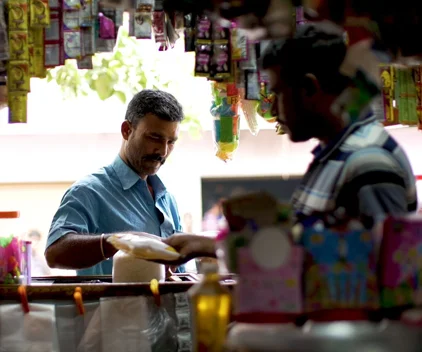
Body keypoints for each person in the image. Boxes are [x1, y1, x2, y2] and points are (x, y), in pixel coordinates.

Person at [163, 24, 418, 262]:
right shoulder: (335, 156)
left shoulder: (369, 163)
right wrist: (213, 244)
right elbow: (312, 247)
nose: (273, 108)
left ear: (308, 88)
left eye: (277, 92)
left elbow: (379, 274)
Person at [45, 89, 186, 275]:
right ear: (127, 130)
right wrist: (120, 241)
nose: (163, 151)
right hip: (111, 305)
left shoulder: (167, 199)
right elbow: (55, 253)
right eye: (154, 137)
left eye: (171, 142)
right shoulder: (88, 191)